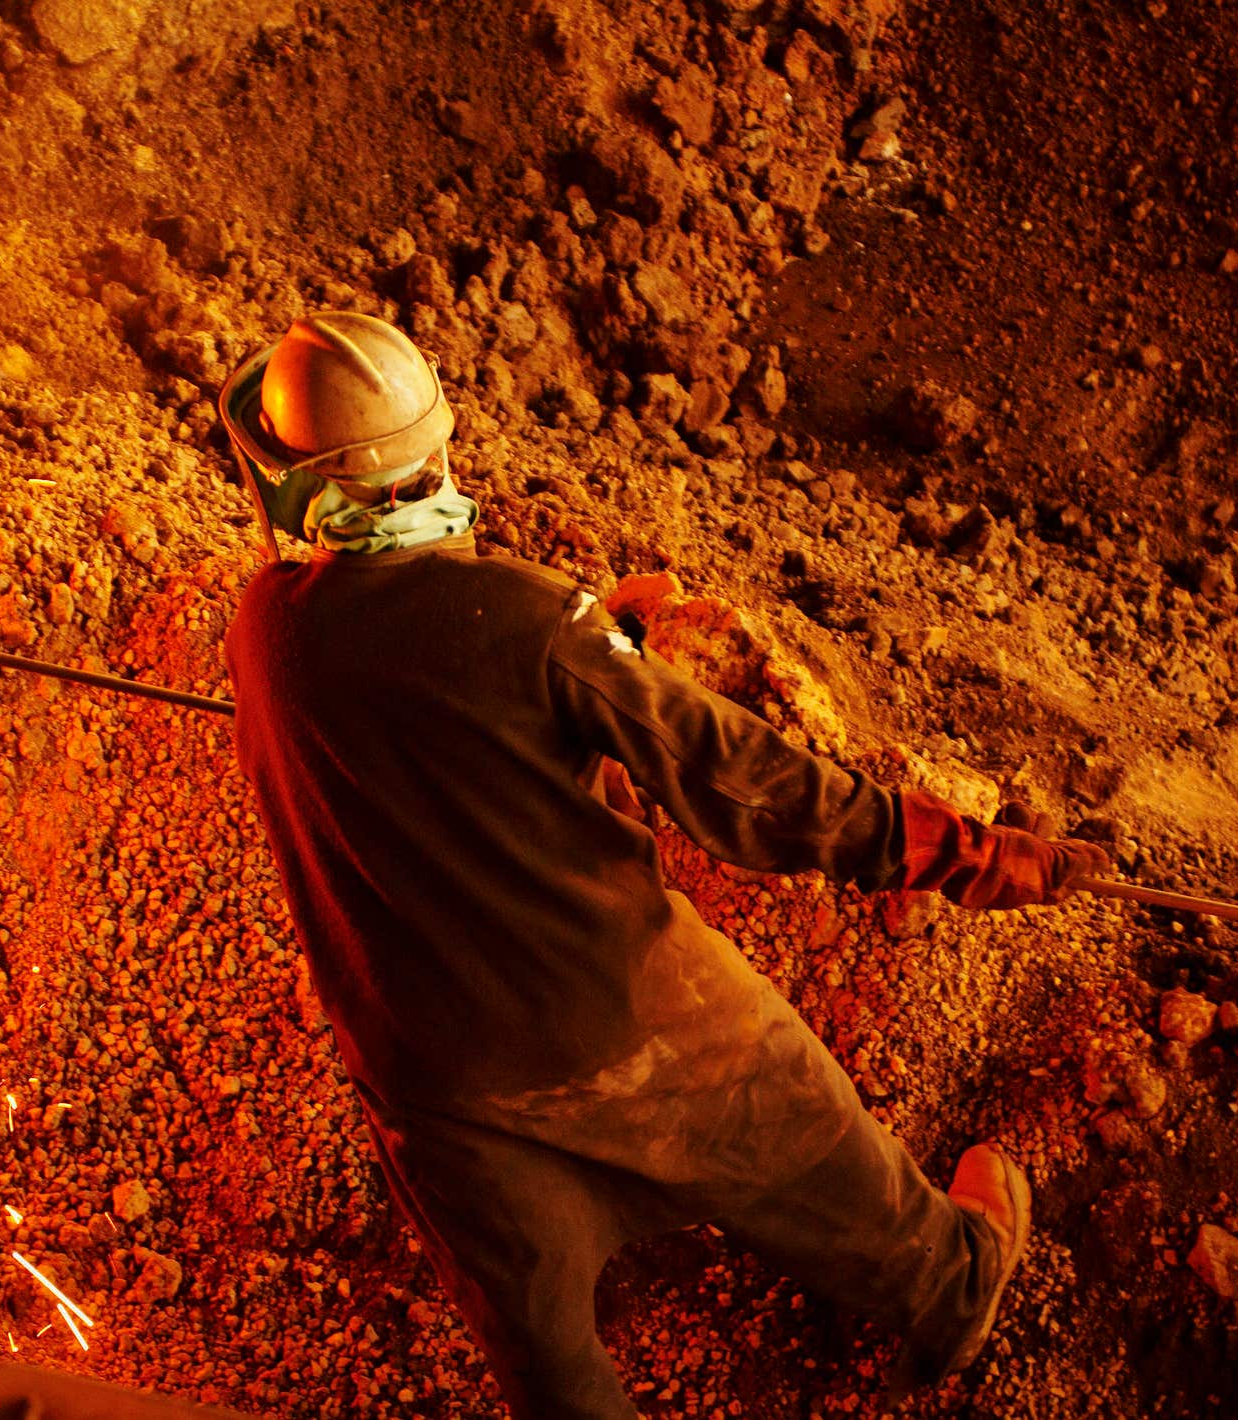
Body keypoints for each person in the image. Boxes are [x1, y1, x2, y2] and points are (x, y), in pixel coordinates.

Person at [216, 311, 1109, 1418]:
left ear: (287, 478)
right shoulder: (532, 623)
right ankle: (947, 1284)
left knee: (546, 1357)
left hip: (422, 1066)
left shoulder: (262, 627)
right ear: (434, 455)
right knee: (794, 1112)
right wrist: (962, 854)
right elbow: (746, 790)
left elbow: (436, 705)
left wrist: (598, 656)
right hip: (598, 1008)